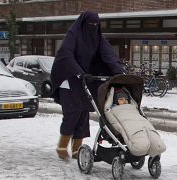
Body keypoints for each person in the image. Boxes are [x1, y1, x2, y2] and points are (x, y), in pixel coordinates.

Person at [50, 11, 123, 160]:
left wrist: (119, 73)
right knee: (73, 112)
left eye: (96, 25)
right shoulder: (73, 35)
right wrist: (78, 72)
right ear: (83, 24)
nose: (93, 27)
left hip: (84, 79)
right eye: (91, 24)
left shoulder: (97, 36)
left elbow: (108, 54)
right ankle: (62, 146)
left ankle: (77, 150)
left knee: (83, 113)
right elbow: (65, 54)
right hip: (68, 77)